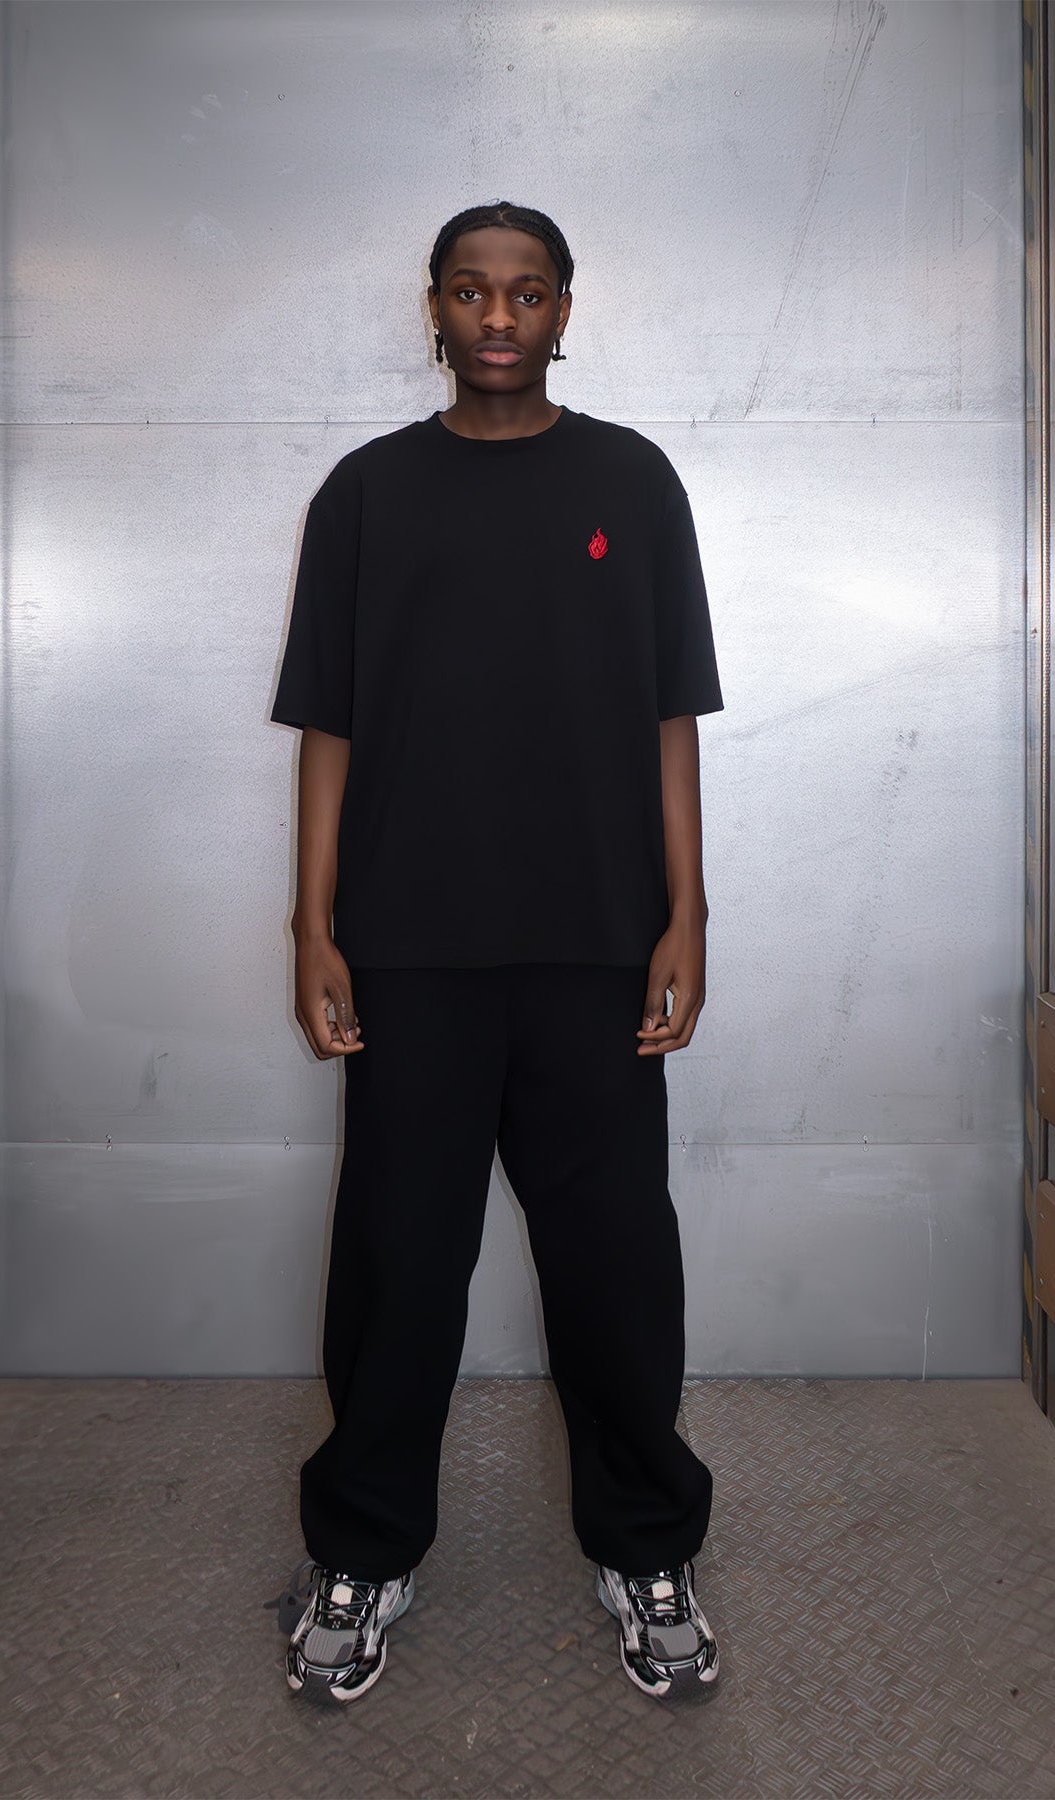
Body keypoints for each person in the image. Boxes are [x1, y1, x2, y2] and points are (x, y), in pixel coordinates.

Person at [265, 201, 724, 1704]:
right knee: (400, 1263)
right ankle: (363, 1550)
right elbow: (328, 731)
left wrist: (687, 913)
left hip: (597, 948)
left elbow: (670, 721)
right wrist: (314, 927)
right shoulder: (367, 494)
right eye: (472, 290)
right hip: (411, 953)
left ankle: (646, 1547)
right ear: (436, 308)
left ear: (565, 308)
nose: (500, 316)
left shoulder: (634, 483)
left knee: (615, 1264)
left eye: (528, 292)